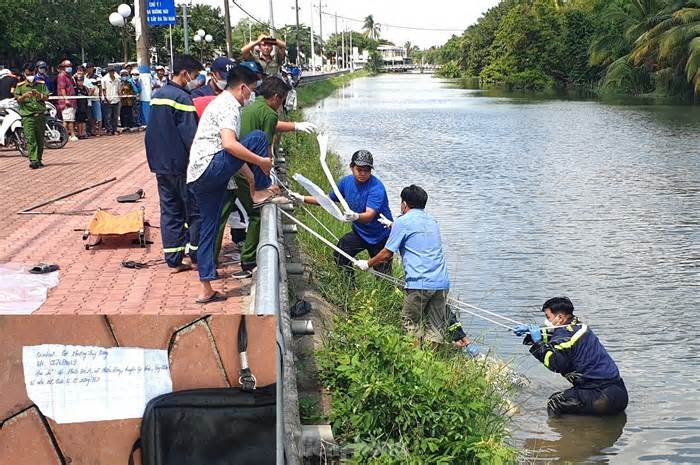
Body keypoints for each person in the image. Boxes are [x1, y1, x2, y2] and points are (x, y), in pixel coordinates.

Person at [186, 65, 274, 303]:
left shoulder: (219, 103)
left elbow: (235, 156)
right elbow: (230, 145)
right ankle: (263, 191)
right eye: (252, 91)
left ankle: (205, 288)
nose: (252, 97)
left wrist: (252, 178)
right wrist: (262, 162)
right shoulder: (229, 106)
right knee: (258, 138)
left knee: (210, 228)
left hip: (198, 175)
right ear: (243, 88)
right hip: (211, 166)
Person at [219, 75, 316, 277]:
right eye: (282, 100)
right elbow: (267, 149)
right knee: (256, 213)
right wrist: (267, 181)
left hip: (228, 166)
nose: (281, 105)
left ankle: (209, 263)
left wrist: (295, 125)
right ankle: (247, 262)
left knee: (221, 215)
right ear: (275, 97)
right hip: (244, 169)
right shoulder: (269, 114)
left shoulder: (250, 107)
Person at [353, 185, 471, 348]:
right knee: (435, 327)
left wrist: (367, 263)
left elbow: (387, 253)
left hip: (419, 283)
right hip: (441, 283)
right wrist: (392, 225)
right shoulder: (432, 221)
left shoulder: (403, 221)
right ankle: (430, 362)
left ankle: (415, 359)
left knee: (410, 322)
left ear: (404, 204)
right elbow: (415, 233)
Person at [513, 297, 628, 417]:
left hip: (603, 397)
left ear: (560, 318)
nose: (546, 321)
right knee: (566, 398)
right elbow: (558, 338)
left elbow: (554, 363)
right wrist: (532, 334)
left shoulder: (565, 336)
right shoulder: (578, 326)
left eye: (548, 317)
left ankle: (562, 433)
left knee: (554, 402)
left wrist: (537, 342)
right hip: (619, 393)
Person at [291, 150, 393, 280]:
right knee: (341, 253)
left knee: (384, 277)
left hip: (380, 237)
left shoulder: (376, 188)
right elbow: (327, 200)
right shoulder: (346, 182)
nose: (362, 173)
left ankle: (385, 296)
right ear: (351, 167)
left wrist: (356, 216)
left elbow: (369, 215)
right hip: (360, 233)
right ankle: (349, 286)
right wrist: (302, 198)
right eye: (359, 169)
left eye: (366, 170)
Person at [145, 54, 204, 274]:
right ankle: (198, 255)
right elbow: (191, 136)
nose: (196, 79)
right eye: (195, 75)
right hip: (181, 165)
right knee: (194, 211)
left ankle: (173, 259)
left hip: (161, 164)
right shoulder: (182, 98)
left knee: (170, 211)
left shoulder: (159, 95)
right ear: (185, 73)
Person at [14, 63, 49, 169]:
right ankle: (33, 160)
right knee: (30, 138)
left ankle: (39, 158)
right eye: (28, 73)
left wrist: (40, 95)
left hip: (40, 116)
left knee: (40, 138)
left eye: (32, 73)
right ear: (24, 73)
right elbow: (17, 99)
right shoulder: (20, 86)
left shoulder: (41, 84)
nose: (30, 75)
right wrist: (24, 96)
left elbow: (47, 97)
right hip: (28, 116)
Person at [56, 59, 77, 141]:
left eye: (70, 66)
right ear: (63, 67)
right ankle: (69, 135)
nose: (69, 67)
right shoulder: (62, 76)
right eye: (67, 66)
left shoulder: (69, 76)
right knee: (68, 119)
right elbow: (62, 88)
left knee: (70, 118)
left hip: (72, 100)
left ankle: (64, 135)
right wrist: (66, 99)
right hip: (66, 101)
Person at [101, 66, 120, 135]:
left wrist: (119, 97)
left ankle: (114, 130)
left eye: (113, 71)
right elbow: (103, 90)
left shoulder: (117, 79)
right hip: (108, 100)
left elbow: (118, 89)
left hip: (116, 99)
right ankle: (109, 130)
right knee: (108, 116)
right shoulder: (104, 79)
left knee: (115, 116)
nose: (112, 72)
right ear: (108, 72)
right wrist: (106, 98)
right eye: (110, 71)